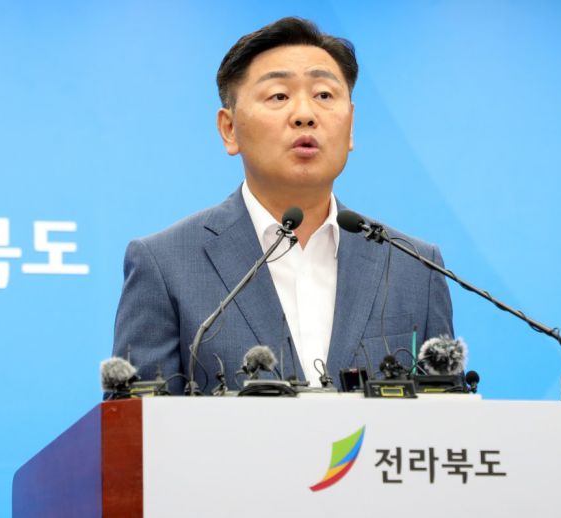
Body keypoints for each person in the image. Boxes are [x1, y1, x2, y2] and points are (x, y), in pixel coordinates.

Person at [112, 17, 453, 393]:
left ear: (351, 126)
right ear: (229, 129)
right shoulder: (166, 265)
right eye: (278, 96)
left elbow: (446, 417)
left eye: (324, 95)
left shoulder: (413, 267)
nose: (305, 114)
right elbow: (134, 422)